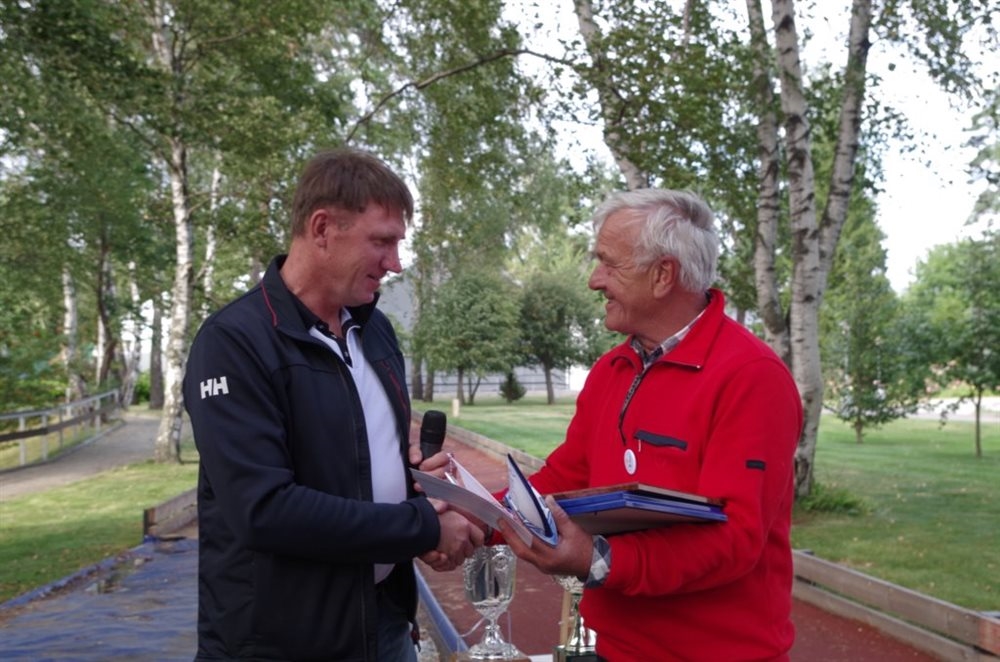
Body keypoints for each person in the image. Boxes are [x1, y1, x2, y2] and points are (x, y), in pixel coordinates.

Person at [182, 147, 483, 661]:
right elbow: (264, 509)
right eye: (382, 242)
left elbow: (355, 463)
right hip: (282, 645)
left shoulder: (375, 329)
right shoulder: (233, 342)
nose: (395, 263)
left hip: (385, 627)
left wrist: (418, 484)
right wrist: (423, 526)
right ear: (322, 229)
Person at [497, 188, 803, 660]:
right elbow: (567, 476)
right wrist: (473, 514)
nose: (594, 281)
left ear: (663, 275)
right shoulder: (613, 368)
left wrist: (600, 560)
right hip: (615, 648)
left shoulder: (751, 376)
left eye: (609, 264)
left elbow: (735, 539)